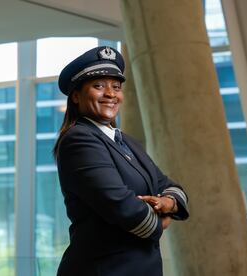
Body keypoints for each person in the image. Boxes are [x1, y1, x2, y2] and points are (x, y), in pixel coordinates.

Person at [54, 46, 189, 276]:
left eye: (116, 87)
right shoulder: (79, 140)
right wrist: (161, 222)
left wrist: (168, 203)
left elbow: (169, 184)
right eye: (98, 86)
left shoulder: (126, 141)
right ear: (76, 96)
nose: (110, 94)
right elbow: (120, 204)